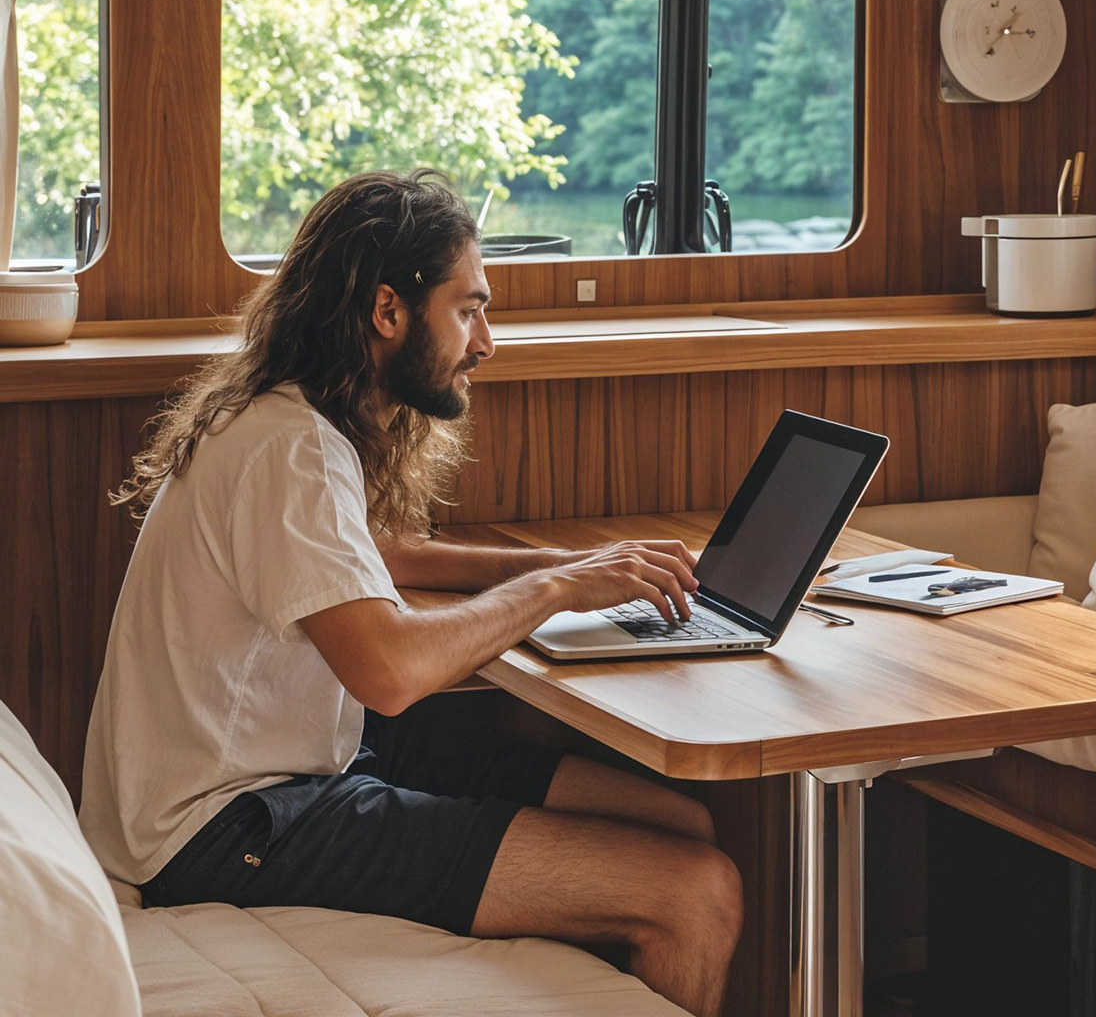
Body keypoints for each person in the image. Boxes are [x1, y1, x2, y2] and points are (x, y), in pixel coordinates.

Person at [78, 170, 742, 1017]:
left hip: (284, 771)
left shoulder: (283, 420)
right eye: (468, 310)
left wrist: (567, 568)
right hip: (220, 826)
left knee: (678, 823)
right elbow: (388, 673)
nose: (486, 342)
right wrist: (557, 587)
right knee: (696, 891)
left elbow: (375, 557)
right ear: (387, 312)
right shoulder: (291, 449)